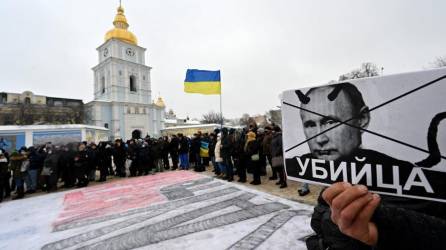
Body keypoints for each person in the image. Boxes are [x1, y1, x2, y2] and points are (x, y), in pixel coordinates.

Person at [296, 83, 446, 249]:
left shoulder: (426, 185)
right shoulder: (328, 174)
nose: (320, 139)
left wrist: (384, 232)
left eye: (330, 122)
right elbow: (320, 228)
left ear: (362, 119)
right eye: (310, 125)